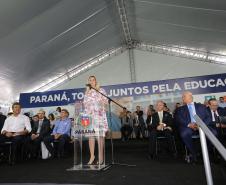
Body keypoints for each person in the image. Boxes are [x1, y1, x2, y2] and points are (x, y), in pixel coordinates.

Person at [175, 91, 211, 162]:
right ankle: (193, 152)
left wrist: (201, 125)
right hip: (188, 127)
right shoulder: (180, 109)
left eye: (184, 96)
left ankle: (204, 151)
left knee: (213, 133)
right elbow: (179, 119)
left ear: (190, 97)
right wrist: (189, 124)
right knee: (184, 133)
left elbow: (208, 117)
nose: (182, 98)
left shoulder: (201, 106)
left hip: (201, 126)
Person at [83, 75, 108, 165]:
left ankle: (101, 156)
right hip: (90, 116)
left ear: (96, 81)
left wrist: (101, 103)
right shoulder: (87, 92)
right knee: (91, 136)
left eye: (93, 80)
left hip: (99, 115)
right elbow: (85, 104)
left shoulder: (101, 90)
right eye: (90, 80)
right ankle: (92, 156)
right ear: (88, 82)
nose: (91, 81)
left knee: (100, 137)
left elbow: (105, 101)